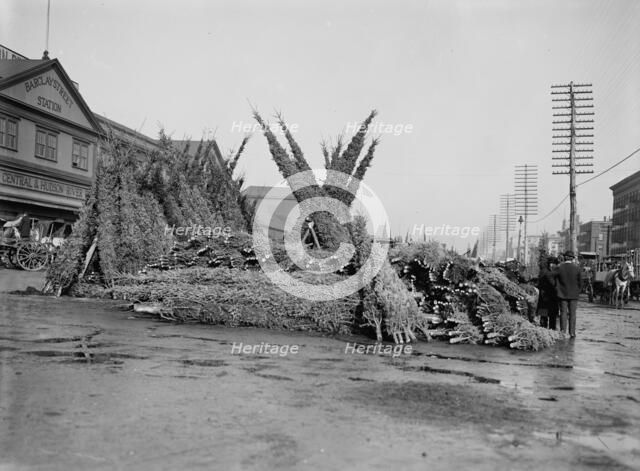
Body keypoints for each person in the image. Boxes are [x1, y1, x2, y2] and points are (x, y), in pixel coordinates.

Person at [554, 250, 582, 338]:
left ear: (564, 257)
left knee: (563, 313)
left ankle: (563, 332)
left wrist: (557, 288)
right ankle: (572, 333)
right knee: (573, 314)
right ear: (572, 258)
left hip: (562, 294)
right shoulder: (577, 268)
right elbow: (580, 283)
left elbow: (552, 278)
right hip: (574, 295)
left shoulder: (559, 267)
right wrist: (578, 291)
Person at [537, 256, 559, 329]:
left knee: (545, 315)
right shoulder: (548, 272)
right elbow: (553, 284)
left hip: (544, 296)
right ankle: (549, 330)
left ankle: (544, 329)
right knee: (550, 316)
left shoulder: (544, 271)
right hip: (549, 296)